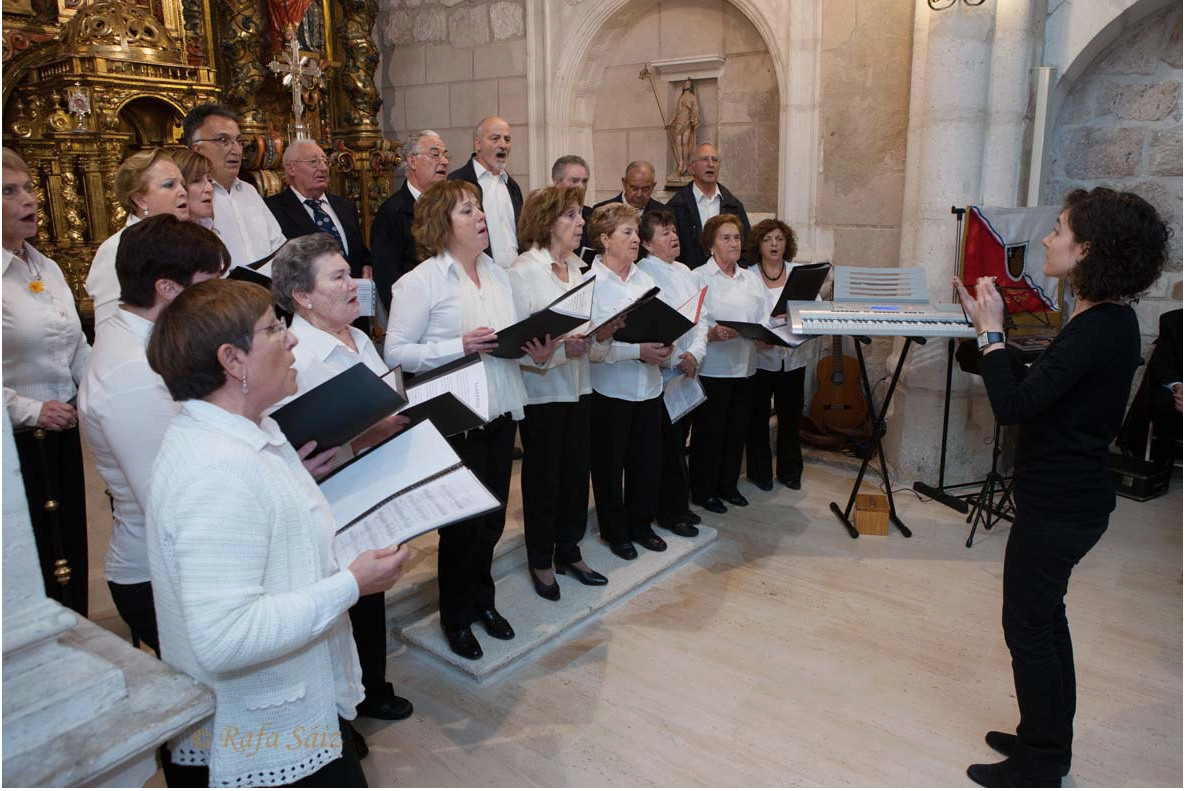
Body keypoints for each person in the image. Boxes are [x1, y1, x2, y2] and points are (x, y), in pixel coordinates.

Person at [145, 278, 410, 788]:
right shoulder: (215, 471)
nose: (291, 339)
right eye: (273, 328)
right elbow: (227, 636)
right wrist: (351, 584)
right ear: (232, 359)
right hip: (264, 731)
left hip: (292, 703)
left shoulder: (250, 428)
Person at [953, 187, 1168, 788]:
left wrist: (993, 334)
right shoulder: (1105, 319)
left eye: (1061, 230)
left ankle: (1044, 758)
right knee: (1046, 620)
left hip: (1060, 507)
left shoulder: (1098, 327)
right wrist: (986, 338)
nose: (1048, 238)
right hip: (1071, 501)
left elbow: (1015, 406)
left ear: (1087, 251)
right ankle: (1042, 733)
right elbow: (1046, 384)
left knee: (1027, 627)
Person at [385, 179, 554, 660]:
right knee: (460, 527)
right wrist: (455, 347)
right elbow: (395, 351)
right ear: (443, 224)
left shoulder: (499, 275)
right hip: (455, 418)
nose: (480, 216)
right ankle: (455, 618)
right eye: (466, 210)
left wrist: (536, 352)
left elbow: (510, 342)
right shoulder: (421, 281)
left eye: (479, 208)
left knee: (492, 519)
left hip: (500, 409)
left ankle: (484, 602)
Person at [269, 232, 414, 722]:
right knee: (335, 606)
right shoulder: (295, 354)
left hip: (371, 486)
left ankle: (372, 687)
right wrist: (361, 437)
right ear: (303, 297)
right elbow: (291, 441)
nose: (355, 284)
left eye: (349, 272)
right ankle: (337, 712)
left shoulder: (356, 336)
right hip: (328, 498)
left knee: (369, 596)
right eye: (339, 278)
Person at [78, 215, 229, 654]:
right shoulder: (132, 373)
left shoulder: (151, 338)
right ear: (167, 288)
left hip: (180, 564)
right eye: (209, 282)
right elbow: (168, 499)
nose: (218, 295)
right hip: (158, 574)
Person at [2, 147, 91, 616]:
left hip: (61, 432)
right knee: (32, 557)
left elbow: (75, 346)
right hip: (14, 444)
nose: (28, 200)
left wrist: (98, 387)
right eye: (9, 192)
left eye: (28, 188)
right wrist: (32, 410)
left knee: (69, 549)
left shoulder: (46, 266)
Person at [509, 186, 605, 601]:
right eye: (570, 216)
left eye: (579, 215)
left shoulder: (581, 270)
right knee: (544, 479)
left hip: (580, 385)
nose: (580, 222)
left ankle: (570, 548)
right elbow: (516, 346)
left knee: (574, 474)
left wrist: (602, 335)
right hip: (543, 391)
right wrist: (559, 349)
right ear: (547, 221)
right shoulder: (523, 271)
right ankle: (541, 558)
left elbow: (590, 337)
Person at [586, 203, 670, 560]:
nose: (636, 239)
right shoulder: (590, 283)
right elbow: (591, 348)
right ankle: (615, 531)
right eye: (627, 233)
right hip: (610, 388)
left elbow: (660, 323)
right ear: (605, 239)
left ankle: (641, 524)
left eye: (636, 233)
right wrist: (637, 351)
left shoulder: (646, 279)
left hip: (650, 386)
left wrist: (667, 342)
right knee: (609, 465)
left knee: (646, 463)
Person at [689, 213, 768, 515]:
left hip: (745, 366)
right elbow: (690, 323)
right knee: (709, 432)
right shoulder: (698, 277)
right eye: (726, 237)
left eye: (736, 237)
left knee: (737, 431)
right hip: (712, 368)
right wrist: (711, 333)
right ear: (711, 244)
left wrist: (763, 335)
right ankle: (703, 490)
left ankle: (728, 485)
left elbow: (761, 317)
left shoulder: (750, 278)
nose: (734, 242)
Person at [635, 209, 707, 537]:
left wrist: (695, 354)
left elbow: (702, 317)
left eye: (673, 229)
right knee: (665, 447)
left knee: (680, 444)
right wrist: (679, 357)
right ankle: (667, 512)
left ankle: (680, 505)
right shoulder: (644, 275)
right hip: (664, 374)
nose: (673, 236)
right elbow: (654, 328)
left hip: (688, 370)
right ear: (648, 244)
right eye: (664, 233)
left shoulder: (684, 270)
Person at [85, 148, 189, 325]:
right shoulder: (116, 250)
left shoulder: (183, 241)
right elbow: (111, 325)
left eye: (182, 184)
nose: (183, 192)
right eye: (169, 185)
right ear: (140, 200)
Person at [744, 219, 808, 491]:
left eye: (779, 239)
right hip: (761, 357)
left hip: (793, 358)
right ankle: (760, 472)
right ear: (759, 244)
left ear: (787, 244)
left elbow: (811, 311)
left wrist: (794, 317)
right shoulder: (748, 275)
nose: (774, 244)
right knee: (757, 418)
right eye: (768, 239)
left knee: (790, 416)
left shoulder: (799, 273)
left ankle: (790, 470)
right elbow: (745, 314)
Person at [184, 102, 287, 267]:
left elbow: (278, 246)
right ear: (197, 149)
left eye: (239, 141)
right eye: (223, 140)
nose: (236, 150)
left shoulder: (249, 191)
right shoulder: (190, 197)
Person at [265, 138, 370, 279]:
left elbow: (359, 250)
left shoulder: (344, 206)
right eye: (313, 162)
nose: (323, 168)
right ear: (291, 168)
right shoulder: (272, 209)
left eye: (324, 161)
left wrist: (367, 262)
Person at [370, 129, 450, 311]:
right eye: (435, 154)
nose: (444, 161)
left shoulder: (449, 205)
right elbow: (388, 278)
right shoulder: (391, 213)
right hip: (418, 311)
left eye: (445, 155)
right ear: (412, 161)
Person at [448, 115, 523, 269]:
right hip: (480, 275)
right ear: (478, 144)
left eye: (507, 139)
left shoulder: (512, 186)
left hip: (516, 276)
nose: (503, 145)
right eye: (495, 139)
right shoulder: (458, 181)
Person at [665, 142, 751, 270]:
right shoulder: (677, 206)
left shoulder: (733, 205)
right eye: (704, 159)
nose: (711, 164)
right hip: (690, 278)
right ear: (691, 168)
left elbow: (747, 246)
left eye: (715, 160)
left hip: (727, 279)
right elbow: (669, 249)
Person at [550, 154, 594, 252]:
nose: (581, 186)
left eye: (584, 181)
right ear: (557, 182)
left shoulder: (593, 216)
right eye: (574, 180)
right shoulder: (545, 217)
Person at [593, 160, 664, 214]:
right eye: (634, 188)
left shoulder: (664, 212)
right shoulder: (602, 211)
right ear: (624, 183)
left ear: (653, 186)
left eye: (645, 189)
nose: (639, 194)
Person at [172, 149, 216, 230]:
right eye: (197, 180)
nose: (210, 189)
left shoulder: (207, 228)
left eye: (209, 180)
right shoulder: (166, 237)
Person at [670, 79, 700, 178]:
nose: (685, 85)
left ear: (690, 86)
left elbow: (695, 109)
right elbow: (677, 111)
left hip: (687, 120)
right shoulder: (681, 97)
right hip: (679, 120)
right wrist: (670, 122)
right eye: (684, 83)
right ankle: (680, 163)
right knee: (678, 142)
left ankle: (687, 163)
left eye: (687, 83)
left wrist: (693, 118)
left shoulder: (693, 97)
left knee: (685, 142)